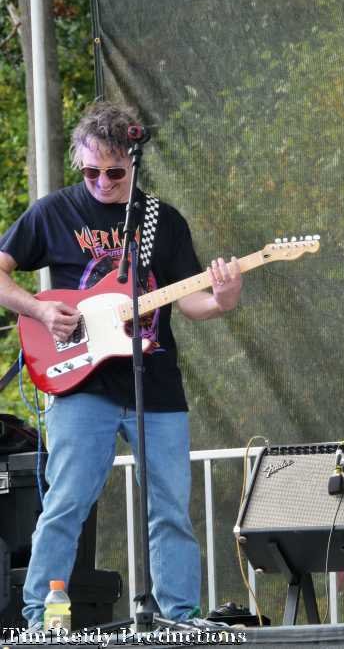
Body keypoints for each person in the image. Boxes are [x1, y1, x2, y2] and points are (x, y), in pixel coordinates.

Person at [0, 101, 243, 627]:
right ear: (79, 163)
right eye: (91, 172)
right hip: (81, 382)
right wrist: (40, 310)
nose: (102, 183)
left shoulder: (163, 220)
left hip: (154, 383)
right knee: (67, 501)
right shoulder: (54, 212)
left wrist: (223, 300)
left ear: (131, 163)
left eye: (114, 173)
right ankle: (41, 616)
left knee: (170, 507)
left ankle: (179, 616)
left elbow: (191, 302)